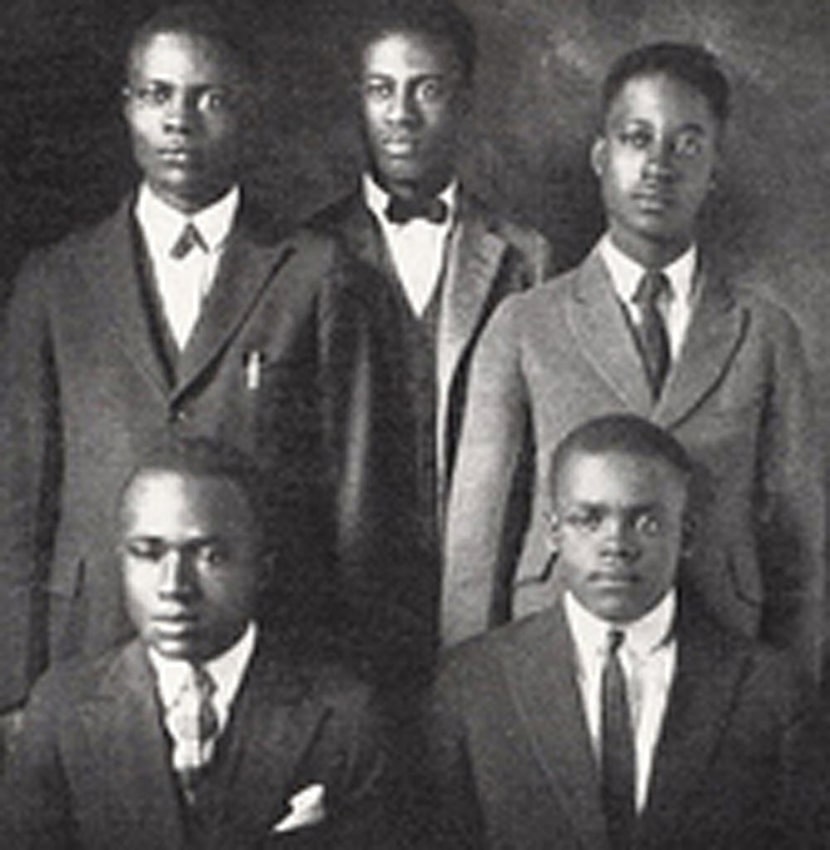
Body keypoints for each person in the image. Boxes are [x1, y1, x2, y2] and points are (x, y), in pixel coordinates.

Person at [0, 4, 370, 723]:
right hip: (89, 641)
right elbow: (17, 504)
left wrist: (344, 678)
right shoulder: (55, 280)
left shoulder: (315, 274)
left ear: (250, 112)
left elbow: (353, 503)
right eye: (157, 94)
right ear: (128, 106)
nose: (180, 120)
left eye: (211, 99)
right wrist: (15, 689)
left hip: (270, 643)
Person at [442, 42, 824, 681]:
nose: (658, 166)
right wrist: (465, 696)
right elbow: (474, 549)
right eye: (636, 138)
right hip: (551, 645)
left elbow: (802, 546)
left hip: (721, 652)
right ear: (601, 156)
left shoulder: (765, 334)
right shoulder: (525, 325)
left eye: (686, 145)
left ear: (715, 170)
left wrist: (800, 698)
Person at [427, 415, 811, 850]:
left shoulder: (771, 691)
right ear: (553, 533)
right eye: (588, 520)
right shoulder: (472, 683)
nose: (616, 545)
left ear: (685, 536)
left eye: (645, 522)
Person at [309, 0, 551, 681]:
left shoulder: (525, 256)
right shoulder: (303, 254)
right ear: (359, 98)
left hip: (479, 604)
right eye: (381, 89)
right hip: (341, 610)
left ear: (466, 101)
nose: (401, 115)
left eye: (428, 89)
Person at [5, 438, 396, 850]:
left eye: (210, 557)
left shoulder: (344, 715)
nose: (174, 587)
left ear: (263, 568)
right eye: (148, 554)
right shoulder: (61, 707)